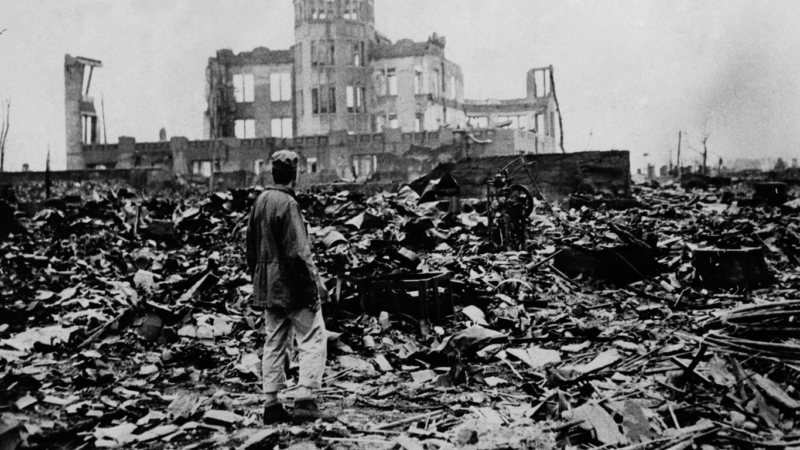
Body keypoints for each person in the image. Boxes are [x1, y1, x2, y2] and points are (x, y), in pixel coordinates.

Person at [246, 150, 330, 424]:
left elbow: (250, 249)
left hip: (268, 287)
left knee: (274, 341)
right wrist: (312, 290)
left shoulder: (260, 202)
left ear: (273, 173)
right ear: (294, 175)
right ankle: (305, 400)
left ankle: (271, 404)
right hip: (291, 287)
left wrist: (260, 280)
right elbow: (298, 254)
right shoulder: (288, 204)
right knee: (313, 337)